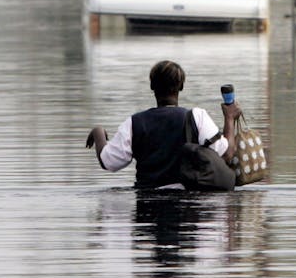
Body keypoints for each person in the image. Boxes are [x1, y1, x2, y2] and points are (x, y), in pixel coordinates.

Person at [85, 60, 242, 189]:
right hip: (189, 209)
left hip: (147, 210)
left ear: (152, 87)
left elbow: (108, 162)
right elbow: (227, 153)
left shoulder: (134, 123)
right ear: (181, 86)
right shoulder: (197, 117)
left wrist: (98, 132)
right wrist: (229, 118)